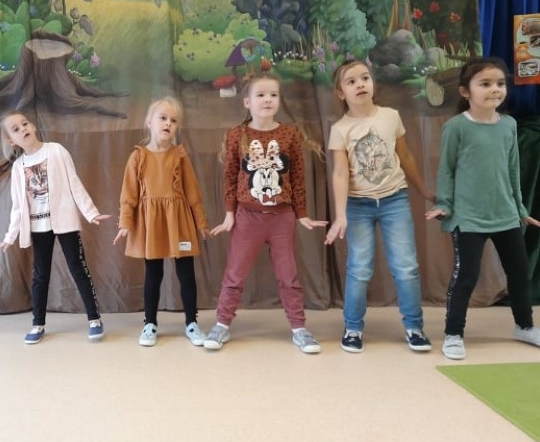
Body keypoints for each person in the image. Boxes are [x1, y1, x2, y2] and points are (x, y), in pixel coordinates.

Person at [426, 57, 540, 360]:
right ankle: (453, 333)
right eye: (486, 84)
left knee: (519, 274)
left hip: (506, 216)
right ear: (466, 91)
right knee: (466, 277)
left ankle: (525, 326)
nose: (495, 90)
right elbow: (447, 170)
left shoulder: (509, 125)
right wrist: (444, 204)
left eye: (500, 83)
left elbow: (513, 170)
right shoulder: (456, 127)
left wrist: (520, 208)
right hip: (468, 218)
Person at [204, 74, 328, 353]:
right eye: (260, 95)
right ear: (247, 102)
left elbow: (297, 177)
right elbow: (230, 178)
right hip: (248, 218)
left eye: (273, 94)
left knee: (288, 275)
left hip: (282, 218)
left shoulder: (290, 134)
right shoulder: (236, 135)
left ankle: (299, 328)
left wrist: (301, 214)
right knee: (235, 273)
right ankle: (222, 324)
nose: (268, 99)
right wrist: (229, 214)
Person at [324, 59, 433, 353]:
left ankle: (414, 326)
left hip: (394, 199)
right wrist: (341, 215)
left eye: (365, 78)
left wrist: (423, 190)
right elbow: (339, 173)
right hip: (357, 205)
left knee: (406, 266)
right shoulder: (340, 129)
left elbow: (405, 156)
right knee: (359, 267)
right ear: (340, 92)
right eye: (351, 81)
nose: (360, 84)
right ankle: (353, 328)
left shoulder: (390, 116)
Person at [0, 111, 109, 344]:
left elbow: (74, 184)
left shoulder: (56, 151)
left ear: (32, 126)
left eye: (25, 123)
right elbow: (18, 207)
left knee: (78, 268)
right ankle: (37, 324)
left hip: (64, 222)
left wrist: (91, 213)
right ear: (11, 140)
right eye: (16, 129)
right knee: (40, 275)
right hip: (38, 227)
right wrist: (10, 237)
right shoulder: (18, 167)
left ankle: (94, 319)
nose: (23, 129)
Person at [114, 96, 209, 347]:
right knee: (153, 274)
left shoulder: (180, 155)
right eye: (163, 118)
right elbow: (128, 195)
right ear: (149, 122)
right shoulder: (138, 157)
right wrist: (125, 223)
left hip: (179, 222)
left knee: (186, 273)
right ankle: (150, 323)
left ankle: (192, 322)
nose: (168, 123)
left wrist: (201, 222)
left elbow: (193, 191)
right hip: (151, 223)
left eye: (173, 120)